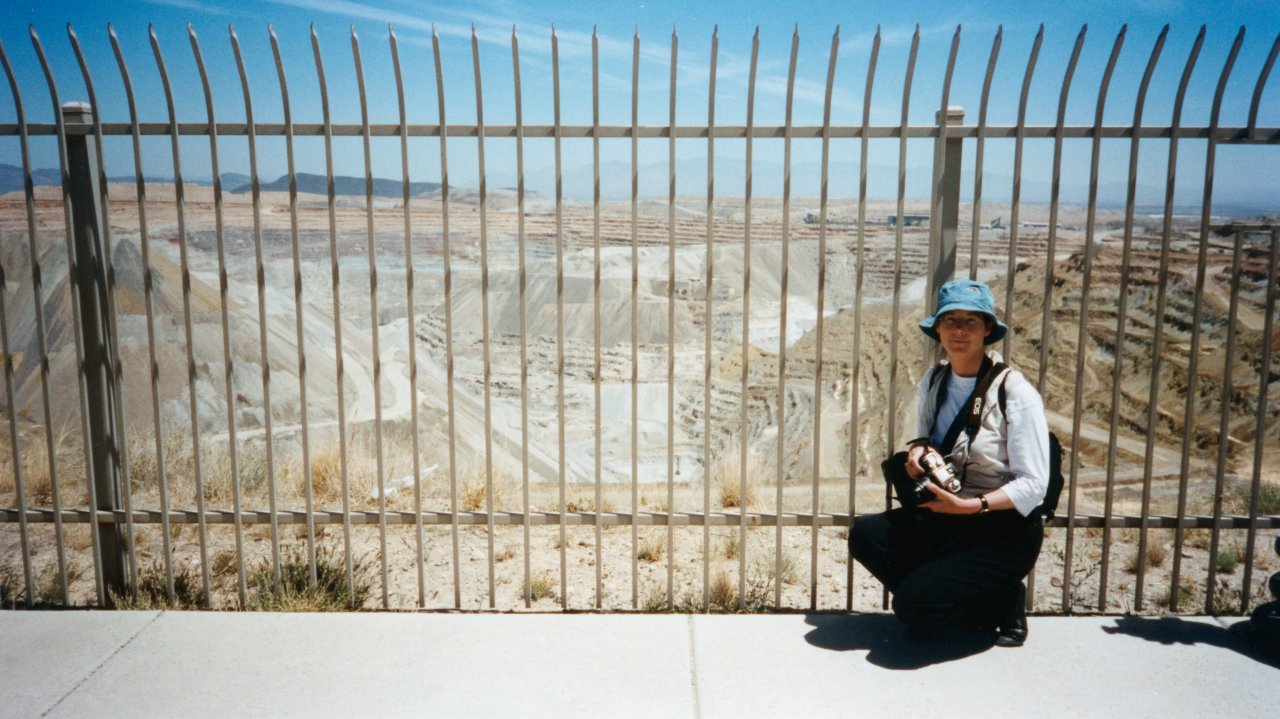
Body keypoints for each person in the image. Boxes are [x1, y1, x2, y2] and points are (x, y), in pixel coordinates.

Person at [848, 279, 1050, 647]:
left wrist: (971, 506)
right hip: (947, 517)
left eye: (971, 321)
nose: (959, 330)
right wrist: (917, 453)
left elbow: (1035, 483)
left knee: (912, 610)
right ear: (937, 327)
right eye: (950, 320)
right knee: (866, 536)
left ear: (988, 329)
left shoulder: (1014, 392)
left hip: (1000, 528)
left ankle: (1000, 599)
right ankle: (975, 596)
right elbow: (924, 437)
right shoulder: (935, 378)